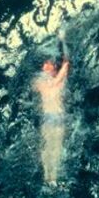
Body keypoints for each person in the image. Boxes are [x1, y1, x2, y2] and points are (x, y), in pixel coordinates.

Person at [33, 51, 70, 187]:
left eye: (50, 64)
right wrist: (65, 66)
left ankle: (52, 178)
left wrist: (65, 65)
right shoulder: (40, 81)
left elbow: (60, 78)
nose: (48, 65)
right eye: (46, 63)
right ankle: (46, 177)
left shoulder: (58, 81)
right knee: (47, 148)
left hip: (58, 118)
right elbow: (52, 84)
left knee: (56, 149)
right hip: (48, 118)